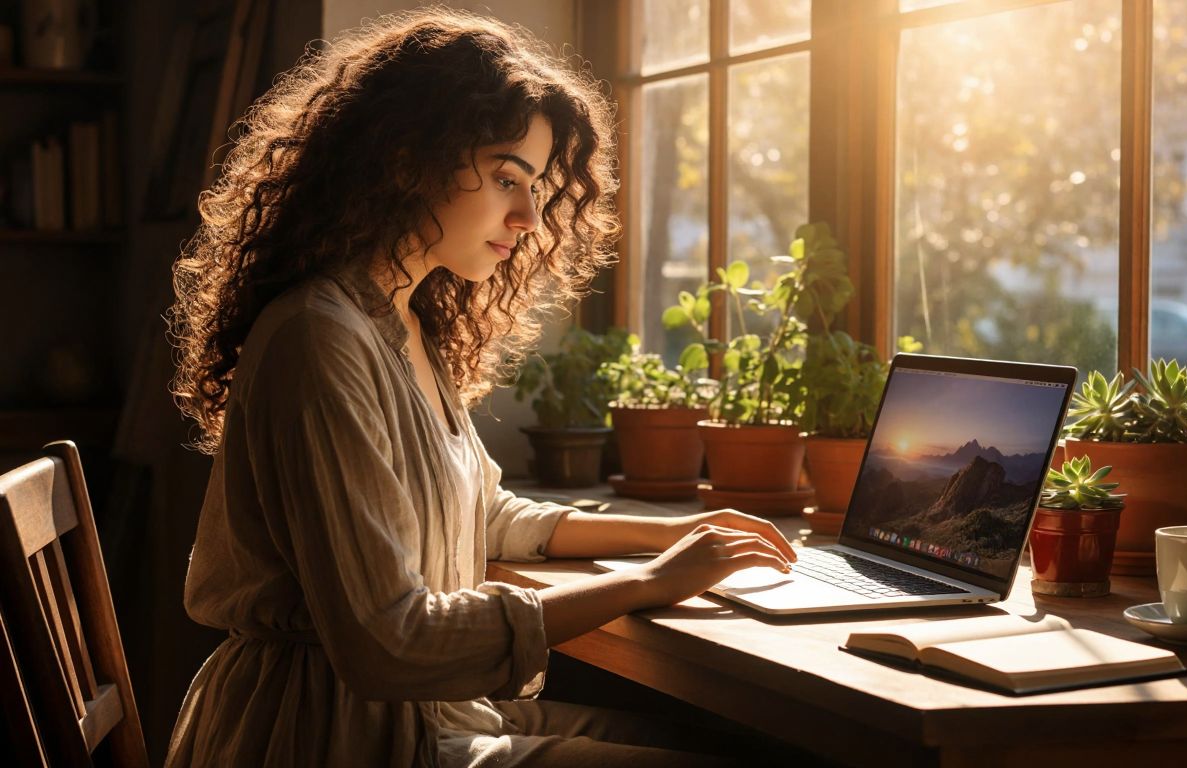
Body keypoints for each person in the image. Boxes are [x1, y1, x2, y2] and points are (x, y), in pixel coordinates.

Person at [163, 9, 795, 767]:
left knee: (732, 748)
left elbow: (483, 513)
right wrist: (649, 583)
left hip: (428, 717)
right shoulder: (319, 339)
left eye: (533, 187)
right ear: (405, 159)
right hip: (332, 733)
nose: (529, 217)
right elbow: (386, 641)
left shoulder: (402, 318)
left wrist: (667, 537)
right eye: (505, 179)